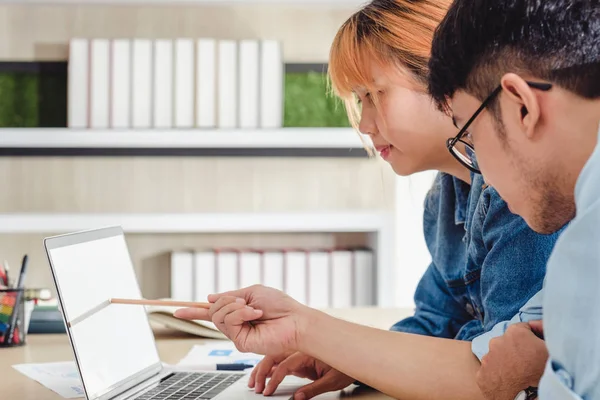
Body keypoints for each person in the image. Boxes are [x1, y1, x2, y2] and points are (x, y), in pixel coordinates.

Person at [174, 1, 564, 399]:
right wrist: (347, 357)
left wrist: (323, 336)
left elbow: (500, 369)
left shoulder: (525, 194)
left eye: (375, 94)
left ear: (443, 78)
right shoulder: (445, 198)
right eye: (360, 100)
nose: (363, 123)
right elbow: (435, 321)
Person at [426, 0, 600, 398]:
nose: (479, 171)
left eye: (468, 137)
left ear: (522, 106)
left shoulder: (588, 250)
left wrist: (521, 390)